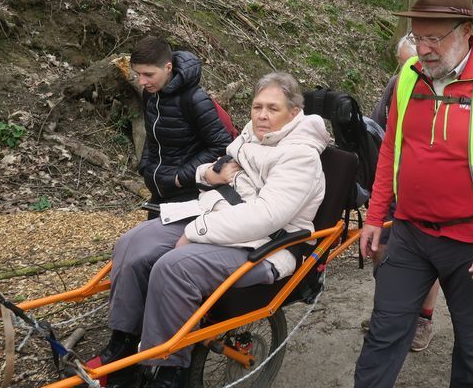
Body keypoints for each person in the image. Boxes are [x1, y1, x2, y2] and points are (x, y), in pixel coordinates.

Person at [355, 0, 473, 387]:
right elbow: (390, 152)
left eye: (434, 38)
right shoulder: (408, 75)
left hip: (472, 243)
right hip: (409, 235)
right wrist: (374, 216)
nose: (424, 49)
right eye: (418, 37)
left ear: (466, 33)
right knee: (383, 336)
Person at [95, 72, 330, 388]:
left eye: (272, 109)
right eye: (257, 106)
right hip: (219, 213)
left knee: (174, 269)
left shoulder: (300, 155)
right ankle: (122, 348)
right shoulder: (253, 134)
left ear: (293, 112)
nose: (262, 115)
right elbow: (220, 167)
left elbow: (266, 216)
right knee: (133, 243)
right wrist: (209, 173)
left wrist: (195, 231)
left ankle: (169, 373)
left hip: (267, 243)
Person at [364, 35, 440, 352]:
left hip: (430, 191)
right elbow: (376, 126)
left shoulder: (446, 87)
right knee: (382, 249)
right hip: (394, 184)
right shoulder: (398, 82)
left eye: (417, 59)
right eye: (405, 60)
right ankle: (391, 312)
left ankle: (423, 320)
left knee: (428, 258)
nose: (412, 65)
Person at [132, 36, 231, 217]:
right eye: (138, 74)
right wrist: (146, 166)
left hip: (189, 195)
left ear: (168, 68)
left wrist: (181, 177)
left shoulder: (195, 100)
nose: (142, 82)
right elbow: (152, 135)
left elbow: (221, 145)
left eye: (148, 74)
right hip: (159, 190)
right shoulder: (151, 95)